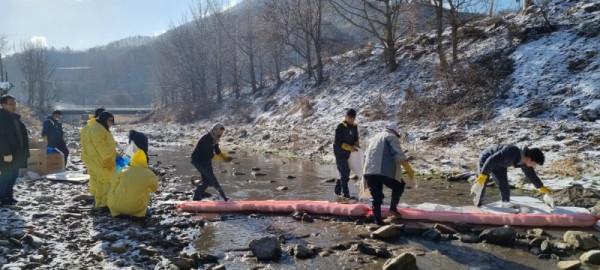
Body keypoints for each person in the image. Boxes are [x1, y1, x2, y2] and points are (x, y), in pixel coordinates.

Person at [363, 123, 415, 225]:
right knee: (399, 185)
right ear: (395, 131)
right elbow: (397, 153)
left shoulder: (374, 138)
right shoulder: (391, 137)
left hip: (368, 171)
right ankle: (392, 209)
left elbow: (365, 156)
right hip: (383, 171)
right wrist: (407, 165)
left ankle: (377, 220)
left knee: (376, 196)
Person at [471, 144, 553, 207]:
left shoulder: (525, 163)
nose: (534, 165)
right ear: (529, 158)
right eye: (534, 163)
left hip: (500, 166)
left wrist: (542, 188)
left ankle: (505, 204)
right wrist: (482, 177)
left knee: (504, 187)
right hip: (486, 159)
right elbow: (490, 160)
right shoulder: (512, 152)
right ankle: (478, 205)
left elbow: (532, 176)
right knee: (481, 184)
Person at [107, 149, 158, 218]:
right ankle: (136, 213)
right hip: (136, 209)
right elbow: (154, 189)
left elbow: (113, 183)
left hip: (116, 207)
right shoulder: (149, 174)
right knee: (148, 213)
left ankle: (119, 210)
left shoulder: (123, 169)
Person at [0, 95, 30, 205]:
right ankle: (2, 197)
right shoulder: (2, 118)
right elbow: (1, 137)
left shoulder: (14, 117)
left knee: (13, 175)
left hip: (17, 153)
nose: (14, 106)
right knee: (6, 176)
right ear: (3, 105)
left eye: (15, 104)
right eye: (11, 104)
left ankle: (9, 196)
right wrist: (6, 153)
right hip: (7, 154)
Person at [191, 123, 232, 201]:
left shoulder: (215, 139)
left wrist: (225, 156)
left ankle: (197, 196)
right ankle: (224, 197)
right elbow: (210, 154)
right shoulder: (207, 139)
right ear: (215, 130)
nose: (221, 134)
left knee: (207, 181)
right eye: (220, 132)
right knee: (212, 179)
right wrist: (223, 159)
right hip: (198, 160)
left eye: (222, 132)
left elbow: (217, 150)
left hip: (205, 160)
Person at [87, 111, 117, 209]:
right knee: (107, 180)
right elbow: (99, 145)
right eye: (110, 120)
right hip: (101, 159)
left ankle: (100, 203)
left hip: (100, 158)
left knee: (101, 181)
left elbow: (107, 145)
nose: (111, 123)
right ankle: (105, 203)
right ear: (104, 119)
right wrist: (107, 158)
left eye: (112, 121)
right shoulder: (98, 129)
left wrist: (116, 154)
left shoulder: (100, 128)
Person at [333, 108, 360, 200]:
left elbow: (356, 138)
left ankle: (337, 191)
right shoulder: (340, 126)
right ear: (346, 117)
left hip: (349, 153)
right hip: (339, 152)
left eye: (353, 118)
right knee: (345, 172)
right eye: (349, 118)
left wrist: (357, 146)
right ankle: (346, 194)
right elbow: (338, 143)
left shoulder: (354, 126)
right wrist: (350, 147)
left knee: (344, 172)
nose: (351, 120)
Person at [80, 108, 105, 200]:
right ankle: (99, 196)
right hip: (96, 155)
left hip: (88, 154)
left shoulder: (87, 126)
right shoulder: (97, 127)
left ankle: (95, 194)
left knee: (93, 175)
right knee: (100, 176)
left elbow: (83, 143)